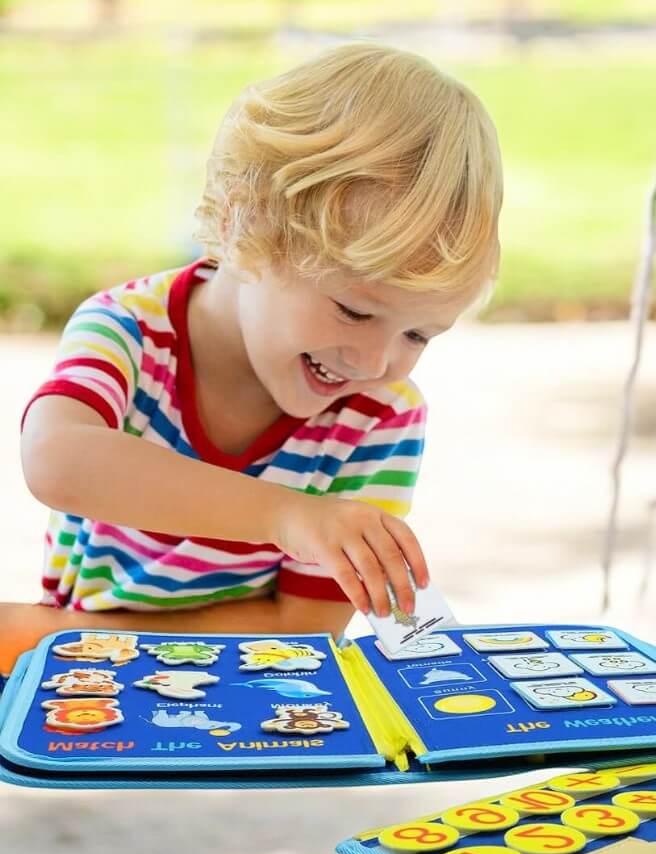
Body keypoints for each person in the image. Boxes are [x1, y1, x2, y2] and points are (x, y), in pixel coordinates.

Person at [0, 43, 502, 674]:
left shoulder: (381, 416)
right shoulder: (128, 330)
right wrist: (289, 516)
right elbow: (57, 460)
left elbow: (303, 630)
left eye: (419, 335)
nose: (376, 361)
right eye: (354, 311)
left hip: (251, 703)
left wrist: (48, 633)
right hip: (83, 690)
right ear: (245, 224)